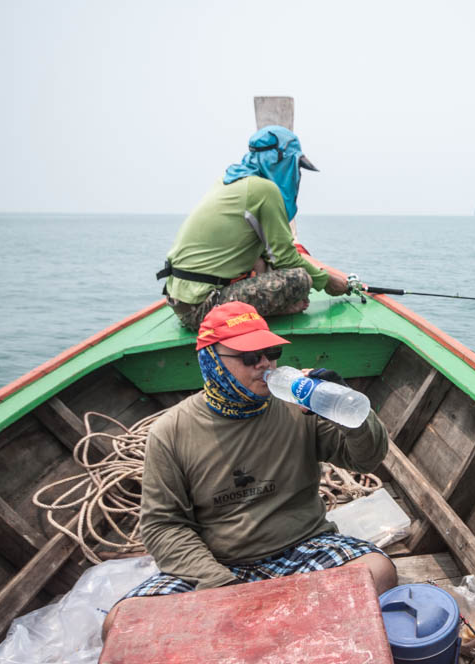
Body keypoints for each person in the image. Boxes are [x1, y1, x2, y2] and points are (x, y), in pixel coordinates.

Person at [104, 301, 395, 635]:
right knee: (121, 624)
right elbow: (162, 526)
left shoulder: (299, 405)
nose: (264, 364)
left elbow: (366, 458)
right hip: (218, 564)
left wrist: (346, 406)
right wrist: (219, 585)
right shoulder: (171, 431)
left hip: (302, 546)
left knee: (377, 571)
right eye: (248, 357)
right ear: (212, 360)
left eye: (270, 352)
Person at [157, 126, 349, 330]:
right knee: (300, 280)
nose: (296, 173)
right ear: (280, 162)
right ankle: (273, 311)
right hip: (202, 309)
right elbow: (286, 258)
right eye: (295, 166)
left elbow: (269, 256)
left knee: (261, 262)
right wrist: (328, 282)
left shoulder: (227, 181)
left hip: (180, 301)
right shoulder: (263, 190)